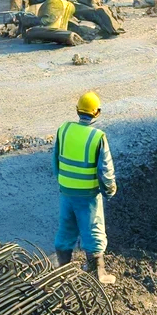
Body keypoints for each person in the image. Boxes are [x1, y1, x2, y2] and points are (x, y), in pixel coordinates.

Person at [53, 91, 118, 285]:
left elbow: (55, 160)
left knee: (66, 228)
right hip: (88, 194)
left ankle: (62, 270)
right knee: (93, 230)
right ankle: (98, 273)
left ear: (77, 110)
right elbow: (105, 169)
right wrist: (109, 190)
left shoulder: (64, 129)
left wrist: (64, 182)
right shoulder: (97, 137)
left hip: (66, 190)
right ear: (97, 113)